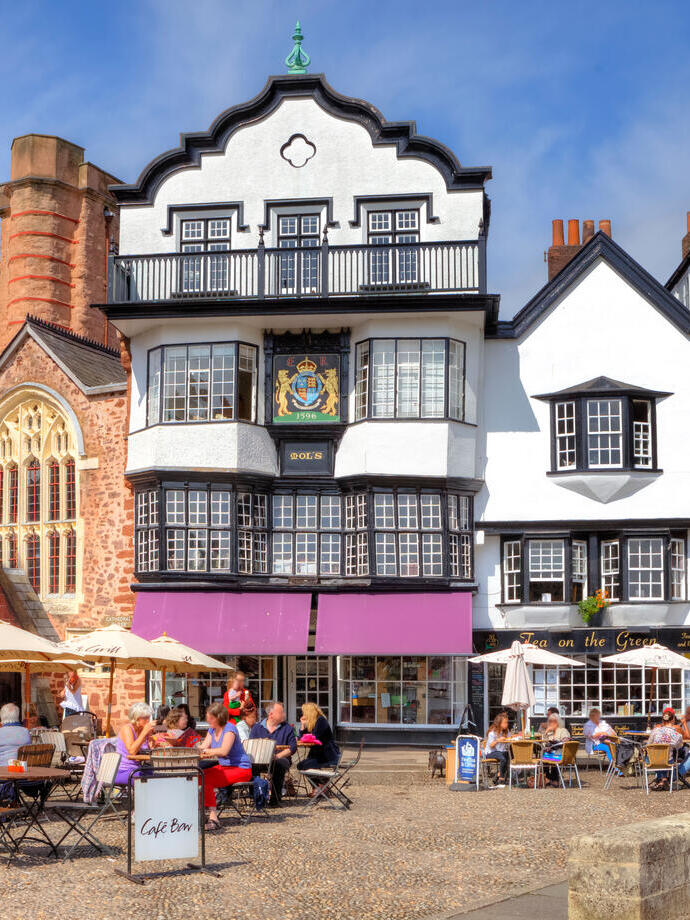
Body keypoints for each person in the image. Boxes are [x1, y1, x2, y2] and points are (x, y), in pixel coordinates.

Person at [199, 702, 252, 830]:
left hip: (241, 768)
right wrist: (194, 750)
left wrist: (206, 752)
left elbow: (224, 751)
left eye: (210, 718)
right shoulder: (212, 729)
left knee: (206, 780)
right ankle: (199, 813)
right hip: (225, 767)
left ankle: (213, 818)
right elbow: (203, 747)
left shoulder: (230, 728)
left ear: (219, 717)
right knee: (198, 776)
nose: (208, 720)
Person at [249, 700, 297, 805]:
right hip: (260, 759)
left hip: (280, 758)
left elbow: (293, 747)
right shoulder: (257, 728)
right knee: (249, 765)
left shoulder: (287, 728)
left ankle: (275, 799)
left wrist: (277, 756)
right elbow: (251, 746)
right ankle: (256, 797)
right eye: (281, 712)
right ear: (271, 714)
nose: (284, 714)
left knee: (279, 764)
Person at [115, 702, 155, 786]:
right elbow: (132, 751)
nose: (148, 720)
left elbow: (151, 750)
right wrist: (144, 733)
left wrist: (152, 740)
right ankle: (143, 799)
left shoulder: (144, 729)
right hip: (123, 770)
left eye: (149, 717)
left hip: (138, 768)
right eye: (145, 718)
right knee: (147, 780)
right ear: (136, 718)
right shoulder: (127, 729)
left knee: (161, 775)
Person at [297, 702, 340, 771]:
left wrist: (305, 735)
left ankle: (321, 781)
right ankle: (319, 781)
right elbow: (301, 738)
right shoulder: (314, 723)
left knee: (303, 765)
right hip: (318, 756)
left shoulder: (321, 721)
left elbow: (314, 738)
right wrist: (302, 726)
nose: (303, 715)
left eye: (304, 712)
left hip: (327, 757)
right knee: (301, 765)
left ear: (309, 712)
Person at [648, 708, 684, 791]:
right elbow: (679, 747)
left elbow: (649, 745)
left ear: (663, 719)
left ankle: (661, 780)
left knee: (655, 756)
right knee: (669, 757)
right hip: (667, 762)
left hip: (654, 762)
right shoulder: (677, 735)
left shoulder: (655, 731)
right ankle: (665, 780)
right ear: (673, 720)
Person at [541, 714, 571, 786]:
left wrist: (555, 743)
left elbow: (566, 741)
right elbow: (543, 743)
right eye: (550, 721)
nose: (551, 723)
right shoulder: (549, 733)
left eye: (553, 721)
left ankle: (553, 779)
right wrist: (545, 733)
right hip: (552, 753)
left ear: (558, 722)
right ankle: (548, 778)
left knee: (548, 757)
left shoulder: (563, 730)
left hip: (562, 754)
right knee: (544, 756)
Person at [484, 712, 511, 785]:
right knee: (503, 758)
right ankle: (501, 777)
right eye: (505, 723)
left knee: (508, 755)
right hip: (490, 752)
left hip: (500, 752)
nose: (507, 724)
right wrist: (498, 740)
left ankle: (498, 775)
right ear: (499, 723)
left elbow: (509, 739)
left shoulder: (506, 731)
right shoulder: (492, 732)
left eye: (507, 722)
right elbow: (491, 745)